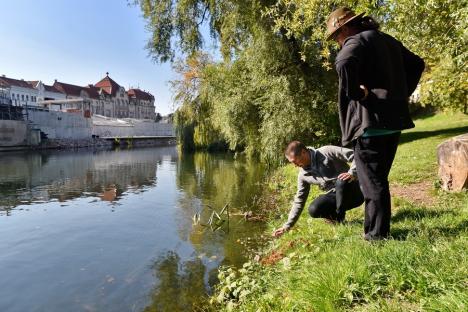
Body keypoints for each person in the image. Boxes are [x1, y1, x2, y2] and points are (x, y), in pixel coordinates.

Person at [325, 8, 425, 240]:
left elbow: (344, 62)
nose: (338, 42)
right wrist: (400, 93)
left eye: (337, 36)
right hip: (393, 121)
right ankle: (375, 231)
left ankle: (377, 236)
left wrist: (357, 94)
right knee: (377, 180)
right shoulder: (386, 40)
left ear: (346, 28)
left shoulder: (356, 41)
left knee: (373, 183)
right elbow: (417, 64)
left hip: (371, 124)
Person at [272, 141, 364, 238]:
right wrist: (287, 226)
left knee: (341, 181)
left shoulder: (327, 151)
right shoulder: (303, 175)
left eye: (295, 161)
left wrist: (352, 173)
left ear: (303, 152)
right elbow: (299, 200)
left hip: (355, 192)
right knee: (314, 209)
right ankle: (335, 218)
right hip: (336, 196)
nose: (295, 165)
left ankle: (340, 219)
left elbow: (355, 155)